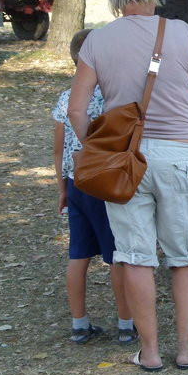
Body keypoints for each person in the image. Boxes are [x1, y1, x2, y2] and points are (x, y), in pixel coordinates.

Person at [68, 0, 188, 371]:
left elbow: (77, 109)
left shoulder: (97, 41)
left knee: (135, 257)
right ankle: (187, 351)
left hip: (124, 159)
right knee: (186, 255)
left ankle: (149, 352)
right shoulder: (183, 33)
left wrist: (101, 151)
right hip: (180, 153)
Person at [53, 29, 136, 346]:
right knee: (116, 255)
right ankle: (126, 324)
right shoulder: (110, 97)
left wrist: (62, 187)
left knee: (78, 255)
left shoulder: (65, 98)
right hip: (103, 184)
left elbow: (59, 149)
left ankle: (79, 324)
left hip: (76, 183)